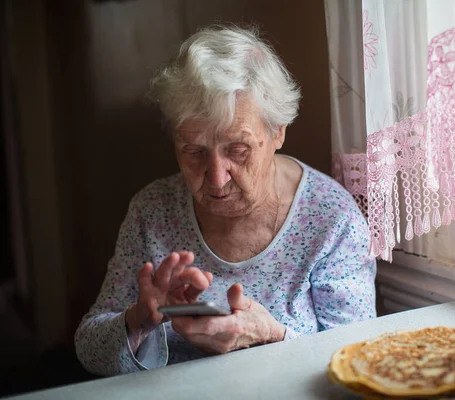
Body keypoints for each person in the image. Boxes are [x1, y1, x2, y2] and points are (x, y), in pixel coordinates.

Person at [74, 26, 376, 376]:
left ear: (277, 132)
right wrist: (140, 319)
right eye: (194, 151)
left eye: (237, 149)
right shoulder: (153, 210)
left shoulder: (331, 218)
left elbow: (359, 362)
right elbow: (89, 350)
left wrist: (271, 335)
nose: (216, 177)